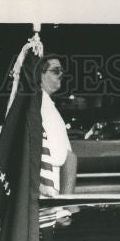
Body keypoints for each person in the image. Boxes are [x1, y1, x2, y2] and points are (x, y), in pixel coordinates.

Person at [38, 55, 77, 196]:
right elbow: (65, 157)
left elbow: (67, 157)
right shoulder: (38, 104)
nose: (61, 74)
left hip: (52, 187)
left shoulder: (47, 105)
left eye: (61, 71)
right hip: (44, 189)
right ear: (40, 75)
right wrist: (67, 204)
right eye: (55, 71)